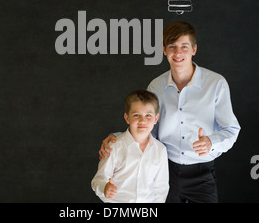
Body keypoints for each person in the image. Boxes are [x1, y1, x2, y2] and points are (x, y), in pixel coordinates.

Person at [99, 21, 240, 203]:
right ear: (164, 50)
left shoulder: (216, 83)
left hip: (202, 172)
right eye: (172, 47)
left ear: (194, 49)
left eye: (184, 46)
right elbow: (147, 127)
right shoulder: (156, 86)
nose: (178, 53)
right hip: (165, 170)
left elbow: (231, 129)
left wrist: (210, 143)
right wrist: (117, 137)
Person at [91, 90, 169, 203]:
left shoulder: (160, 150)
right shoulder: (115, 146)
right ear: (127, 118)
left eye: (148, 115)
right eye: (136, 115)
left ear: (156, 119)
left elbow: (161, 187)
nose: (143, 120)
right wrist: (105, 188)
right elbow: (98, 179)